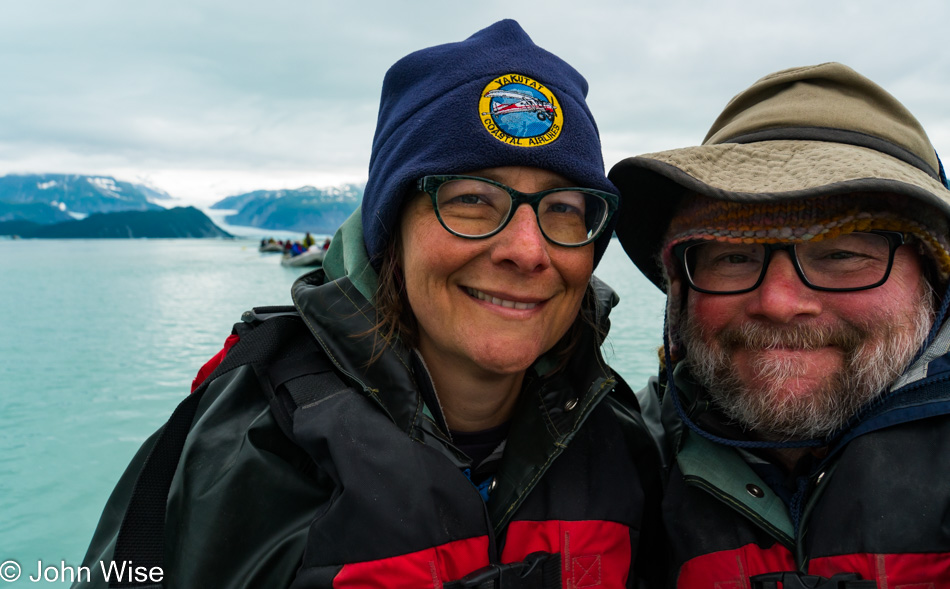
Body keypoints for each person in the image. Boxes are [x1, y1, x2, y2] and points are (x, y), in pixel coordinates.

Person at [76, 20, 662, 588]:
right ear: (392, 235)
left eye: (564, 207)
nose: (528, 251)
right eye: (472, 200)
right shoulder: (244, 447)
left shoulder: (622, 442)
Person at [609, 62, 950, 587]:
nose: (778, 302)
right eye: (732, 258)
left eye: (841, 253)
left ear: (934, 280)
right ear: (680, 288)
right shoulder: (622, 463)